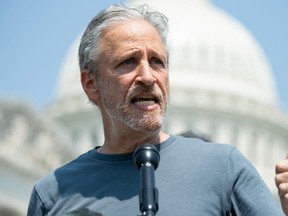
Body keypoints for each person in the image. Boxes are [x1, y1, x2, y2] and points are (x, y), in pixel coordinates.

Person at [27, 4, 283, 215]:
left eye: (157, 62)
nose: (148, 77)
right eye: (128, 61)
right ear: (91, 84)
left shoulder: (225, 168)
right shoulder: (51, 195)